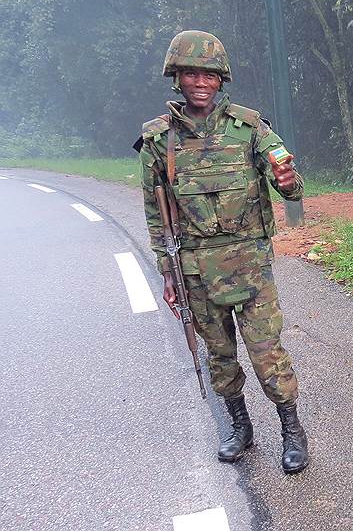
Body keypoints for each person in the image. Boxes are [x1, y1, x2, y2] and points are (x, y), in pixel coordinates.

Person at [136, 30, 309, 474]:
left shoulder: (250, 127)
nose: (199, 82)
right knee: (220, 356)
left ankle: (292, 429)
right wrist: (168, 273)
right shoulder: (158, 141)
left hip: (250, 266)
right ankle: (239, 427)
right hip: (195, 268)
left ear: (221, 79)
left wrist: (288, 183)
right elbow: (157, 214)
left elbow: (287, 181)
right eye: (190, 73)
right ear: (177, 77)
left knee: (267, 353)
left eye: (208, 74)